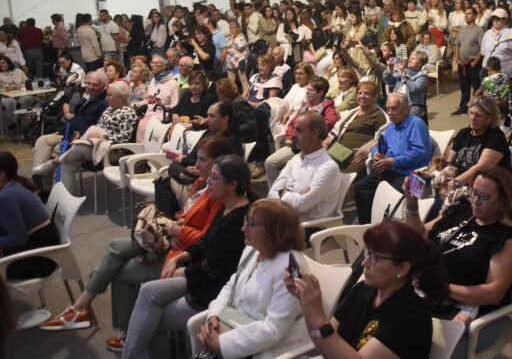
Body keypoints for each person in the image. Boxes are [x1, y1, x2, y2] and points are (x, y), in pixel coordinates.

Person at [39, 137, 236, 350]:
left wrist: (175, 229)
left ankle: (116, 327)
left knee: (122, 272)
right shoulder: (201, 182)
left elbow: (206, 238)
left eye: (202, 160)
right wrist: (175, 223)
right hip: (168, 240)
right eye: (197, 158)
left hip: (180, 254)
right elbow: (186, 213)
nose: (196, 165)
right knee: (115, 247)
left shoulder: (218, 193)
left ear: (219, 164)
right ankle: (83, 308)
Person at [121, 154, 253, 359]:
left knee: (151, 323)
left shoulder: (238, 220)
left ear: (232, 184)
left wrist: (184, 271)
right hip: (200, 277)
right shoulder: (226, 206)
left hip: (212, 290)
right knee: (147, 292)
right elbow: (204, 242)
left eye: (214, 178)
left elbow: (215, 269)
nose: (207, 181)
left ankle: (131, 354)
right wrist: (179, 258)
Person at [403, 166, 512, 358]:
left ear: (502, 203)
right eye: (475, 193)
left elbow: (493, 294)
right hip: (426, 296)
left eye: (485, 197)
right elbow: (419, 234)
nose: (476, 201)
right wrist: (411, 202)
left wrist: (440, 287)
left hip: (467, 313)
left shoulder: (508, 238)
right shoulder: (463, 213)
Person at [285, 220, 447, 359]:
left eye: (375, 257)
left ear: (402, 269)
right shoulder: (363, 290)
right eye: (368, 253)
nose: (364, 263)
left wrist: (317, 313)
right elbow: (325, 343)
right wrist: (305, 302)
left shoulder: (411, 316)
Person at [194, 199, 309, 359]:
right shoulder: (252, 251)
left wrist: (223, 344)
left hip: (269, 350)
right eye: (246, 220)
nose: (243, 228)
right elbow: (231, 285)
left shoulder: (289, 269)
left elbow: (275, 329)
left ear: (275, 230)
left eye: (252, 224)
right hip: (238, 333)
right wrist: (215, 315)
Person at [41, 81, 138, 193]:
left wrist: (103, 136)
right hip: (95, 146)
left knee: (78, 148)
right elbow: (97, 127)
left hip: (113, 151)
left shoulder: (128, 113)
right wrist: (82, 134)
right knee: (68, 163)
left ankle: (56, 162)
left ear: (120, 98)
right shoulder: (109, 110)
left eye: (109, 95)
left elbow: (123, 138)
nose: (106, 98)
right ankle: (62, 199)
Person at [353, 93, 432, 224]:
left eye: (394, 108)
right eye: (388, 109)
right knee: (360, 188)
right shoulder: (392, 126)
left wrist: (393, 161)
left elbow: (420, 153)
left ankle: (390, 229)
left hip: (412, 174)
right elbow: (380, 145)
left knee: (387, 195)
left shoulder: (416, 124)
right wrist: (376, 152)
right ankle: (367, 225)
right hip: (391, 170)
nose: (390, 113)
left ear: (406, 109)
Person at [31, 70, 108, 193]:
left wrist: (80, 132)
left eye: (95, 85)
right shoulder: (84, 98)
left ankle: (44, 189)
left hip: (80, 139)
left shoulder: (104, 103)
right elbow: (74, 119)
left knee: (52, 152)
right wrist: (59, 130)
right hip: (67, 132)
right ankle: (38, 174)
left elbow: (98, 126)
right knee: (42, 140)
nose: (90, 87)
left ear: (103, 86)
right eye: (88, 84)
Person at [268, 112, 340, 226]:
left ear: (315, 133)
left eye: (299, 130)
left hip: (311, 229)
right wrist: (295, 196)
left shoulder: (328, 167)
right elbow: (272, 193)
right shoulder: (295, 160)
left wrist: (283, 192)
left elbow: (302, 204)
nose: (293, 135)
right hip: (287, 222)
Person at [266, 78, 338, 185]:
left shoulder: (327, 106)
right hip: (296, 143)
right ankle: (274, 198)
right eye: (307, 89)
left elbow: (329, 123)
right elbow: (292, 123)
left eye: (311, 90)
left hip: (312, 146)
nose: (307, 92)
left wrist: (309, 135)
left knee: (297, 172)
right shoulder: (305, 106)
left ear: (321, 93)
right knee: (270, 163)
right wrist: (290, 137)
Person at [0, 152, 60, 280]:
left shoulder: (6, 197)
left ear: (1, 175)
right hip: (45, 251)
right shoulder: (16, 185)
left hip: (39, 260)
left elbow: (18, 239)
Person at [324, 81, 389, 176]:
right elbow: (335, 131)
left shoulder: (380, 116)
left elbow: (383, 138)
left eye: (367, 93)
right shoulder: (352, 113)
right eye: (359, 93)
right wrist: (325, 144)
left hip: (357, 157)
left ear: (374, 96)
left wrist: (367, 149)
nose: (362, 96)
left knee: (344, 179)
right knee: (321, 171)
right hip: (339, 151)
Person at [445, 96, 512, 188]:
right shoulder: (463, 133)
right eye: (471, 113)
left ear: (490, 118)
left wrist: (454, 183)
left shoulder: (496, 137)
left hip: (488, 188)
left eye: (478, 115)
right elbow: (450, 161)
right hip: (461, 184)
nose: (472, 118)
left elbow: (480, 169)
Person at [134, 53, 179, 142]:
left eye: (156, 63)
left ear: (164, 65)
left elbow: (175, 106)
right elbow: (147, 100)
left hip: (161, 118)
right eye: (152, 63)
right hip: (148, 116)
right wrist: (133, 104)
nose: (152, 66)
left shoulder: (172, 83)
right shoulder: (154, 80)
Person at [453, 7, 484, 115]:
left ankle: (478, 108)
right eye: (465, 13)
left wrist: (476, 61)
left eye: (469, 14)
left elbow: (482, 47)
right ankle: (463, 107)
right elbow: (457, 45)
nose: (466, 15)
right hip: (463, 63)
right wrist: (457, 60)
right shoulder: (462, 30)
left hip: (473, 63)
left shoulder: (479, 30)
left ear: (475, 16)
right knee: (464, 87)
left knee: (477, 87)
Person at [383, 50, 429, 122]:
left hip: (412, 109)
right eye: (410, 58)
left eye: (413, 58)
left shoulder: (422, 76)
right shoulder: (405, 72)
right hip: (397, 106)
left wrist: (403, 74)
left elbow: (413, 89)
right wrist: (390, 68)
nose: (410, 60)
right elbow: (389, 81)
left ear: (420, 63)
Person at [481, 8, 512, 79]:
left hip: (506, 75)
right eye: (493, 18)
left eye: (498, 19)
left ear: (504, 20)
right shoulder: (487, 34)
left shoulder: (511, 34)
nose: (495, 21)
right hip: (490, 75)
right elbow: (483, 52)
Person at [0, 55, 35, 131]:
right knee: (10, 102)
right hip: (6, 96)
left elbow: (26, 82)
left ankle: (17, 121)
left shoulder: (18, 71)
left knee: (28, 99)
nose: (2, 65)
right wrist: (8, 88)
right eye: (0, 64)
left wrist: (19, 87)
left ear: (8, 63)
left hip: (20, 93)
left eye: (3, 63)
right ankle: (15, 121)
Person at [223, 19, 249, 88]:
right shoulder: (228, 38)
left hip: (240, 62)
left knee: (243, 79)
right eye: (230, 27)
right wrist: (231, 39)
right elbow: (225, 48)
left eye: (233, 27)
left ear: (238, 28)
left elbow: (239, 47)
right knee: (231, 81)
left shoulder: (241, 37)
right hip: (230, 62)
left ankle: (246, 96)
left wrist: (233, 40)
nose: (231, 29)